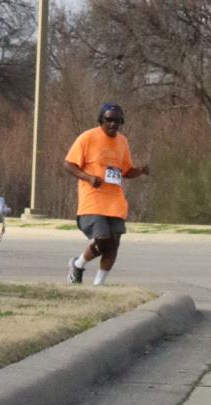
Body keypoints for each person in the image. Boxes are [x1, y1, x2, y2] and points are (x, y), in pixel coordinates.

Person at [63, 103, 148, 286]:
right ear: (101, 120)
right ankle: (77, 266)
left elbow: (125, 171)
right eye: (109, 119)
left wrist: (140, 171)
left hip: (115, 202)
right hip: (92, 200)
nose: (113, 124)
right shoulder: (88, 137)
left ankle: (98, 285)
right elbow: (69, 164)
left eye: (117, 121)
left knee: (113, 244)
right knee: (102, 239)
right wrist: (88, 177)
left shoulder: (122, 141)